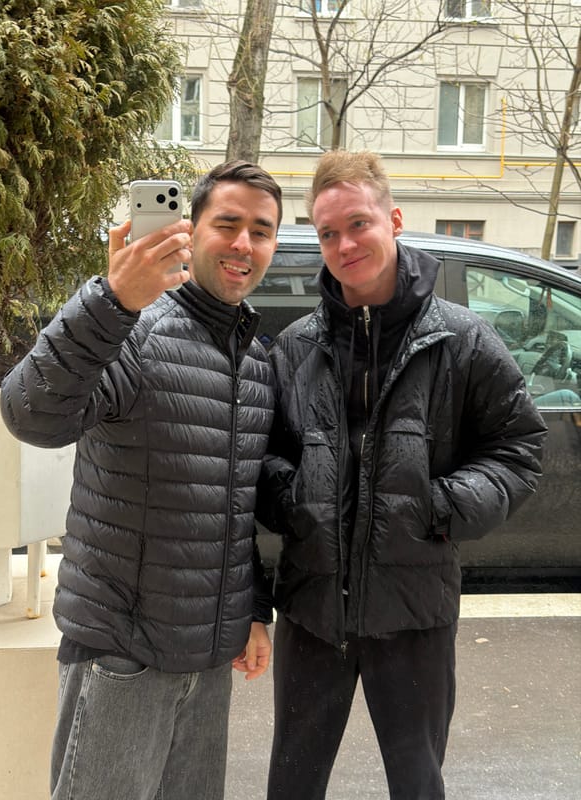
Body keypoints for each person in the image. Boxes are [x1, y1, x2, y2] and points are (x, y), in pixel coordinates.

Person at [256, 150, 548, 800]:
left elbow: (520, 446)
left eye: (357, 224)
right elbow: (264, 456)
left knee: (418, 784)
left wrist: (442, 505)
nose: (344, 244)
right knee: (292, 785)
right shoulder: (298, 347)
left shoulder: (461, 341)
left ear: (393, 218)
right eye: (328, 232)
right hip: (312, 611)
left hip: (414, 614)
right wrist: (295, 496)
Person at [0, 160, 282, 800]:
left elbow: (234, 511)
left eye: (261, 231)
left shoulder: (257, 361)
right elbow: (30, 414)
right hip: (121, 661)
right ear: (190, 231)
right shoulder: (133, 330)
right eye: (228, 224)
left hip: (208, 665)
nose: (243, 244)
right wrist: (113, 299)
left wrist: (252, 611)